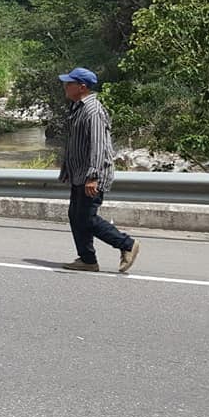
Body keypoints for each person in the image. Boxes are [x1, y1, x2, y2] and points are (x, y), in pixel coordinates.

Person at [58, 67, 140, 273]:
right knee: (75, 216)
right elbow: (75, 143)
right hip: (79, 173)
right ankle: (87, 260)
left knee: (86, 218)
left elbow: (98, 145)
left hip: (91, 174)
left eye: (70, 83)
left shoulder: (93, 110)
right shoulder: (78, 107)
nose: (65, 86)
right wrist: (67, 169)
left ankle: (127, 244)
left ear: (82, 87)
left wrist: (93, 176)